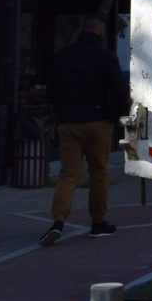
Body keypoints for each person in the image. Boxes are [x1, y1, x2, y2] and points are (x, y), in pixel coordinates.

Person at [39, 16, 128, 246]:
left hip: (68, 122)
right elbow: (118, 90)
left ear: (81, 31)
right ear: (99, 33)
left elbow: (51, 88)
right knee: (98, 172)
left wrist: (63, 110)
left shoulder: (63, 55)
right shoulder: (106, 56)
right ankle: (98, 223)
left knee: (68, 174)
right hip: (98, 120)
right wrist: (113, 115)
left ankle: (58, 222)